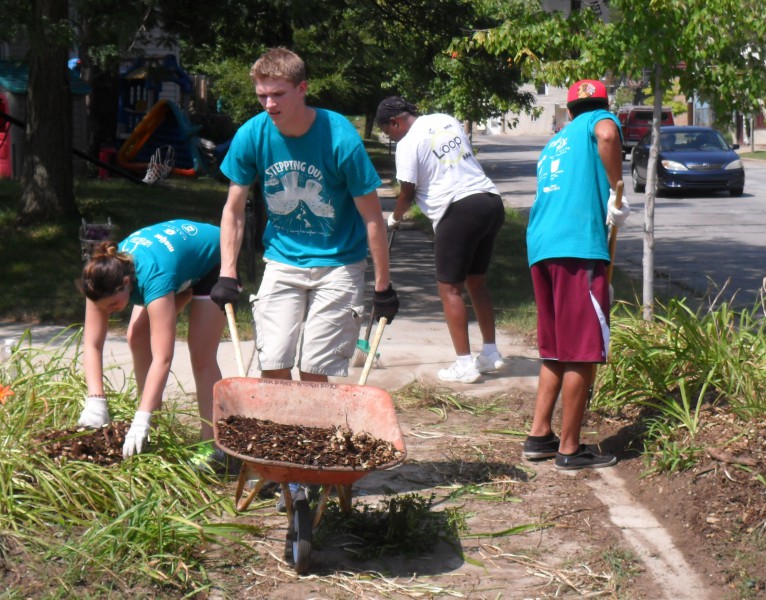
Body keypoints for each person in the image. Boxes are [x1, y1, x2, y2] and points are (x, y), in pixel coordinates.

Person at [209, 47, 398, 384]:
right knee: (273, 362)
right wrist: (227, 272)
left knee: (315, 370)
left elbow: (372, 217)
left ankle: (315, 433)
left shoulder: (339, 136)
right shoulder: (252, 134)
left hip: (339, 263)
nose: (269, 105)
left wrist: (383, 287)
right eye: (262, 95)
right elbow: (234, 210)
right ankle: (278, 433)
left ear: (302, 89)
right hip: (282, 261)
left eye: (278, 94)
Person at [522, 79, 631, 470]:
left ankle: (539, 437)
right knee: (581, 353)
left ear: (568, 111)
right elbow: (605, 133)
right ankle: (569, 449)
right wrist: (616, 192)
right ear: (604, 105)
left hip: (542, 247)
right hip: (578, 247)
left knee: (554, 349)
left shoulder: (556, 140)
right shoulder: (600, 121)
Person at [77, 219, 228, 467]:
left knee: (201, 353)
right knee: (136, 336)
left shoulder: (155, 278)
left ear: (126, 283)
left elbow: (163, 358)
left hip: (216, 259)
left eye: (114, 306)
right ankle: (155, 429)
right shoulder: (99, 279)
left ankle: (213, 448)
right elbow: (92, 344)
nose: (111, 313)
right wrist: (96, 400)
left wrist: (141, 418)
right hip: (178, 261)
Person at [375, 96, 505, 384]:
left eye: (388, 132)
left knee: (449, 289)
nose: (391, 138)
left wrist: (394, 218)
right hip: (490, 202)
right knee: (476, 281)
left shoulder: (408, 144)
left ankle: (464, 364)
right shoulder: (445, 119)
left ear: (395, 122)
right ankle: (491, 353)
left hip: (458, 210)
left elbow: (407, 193)